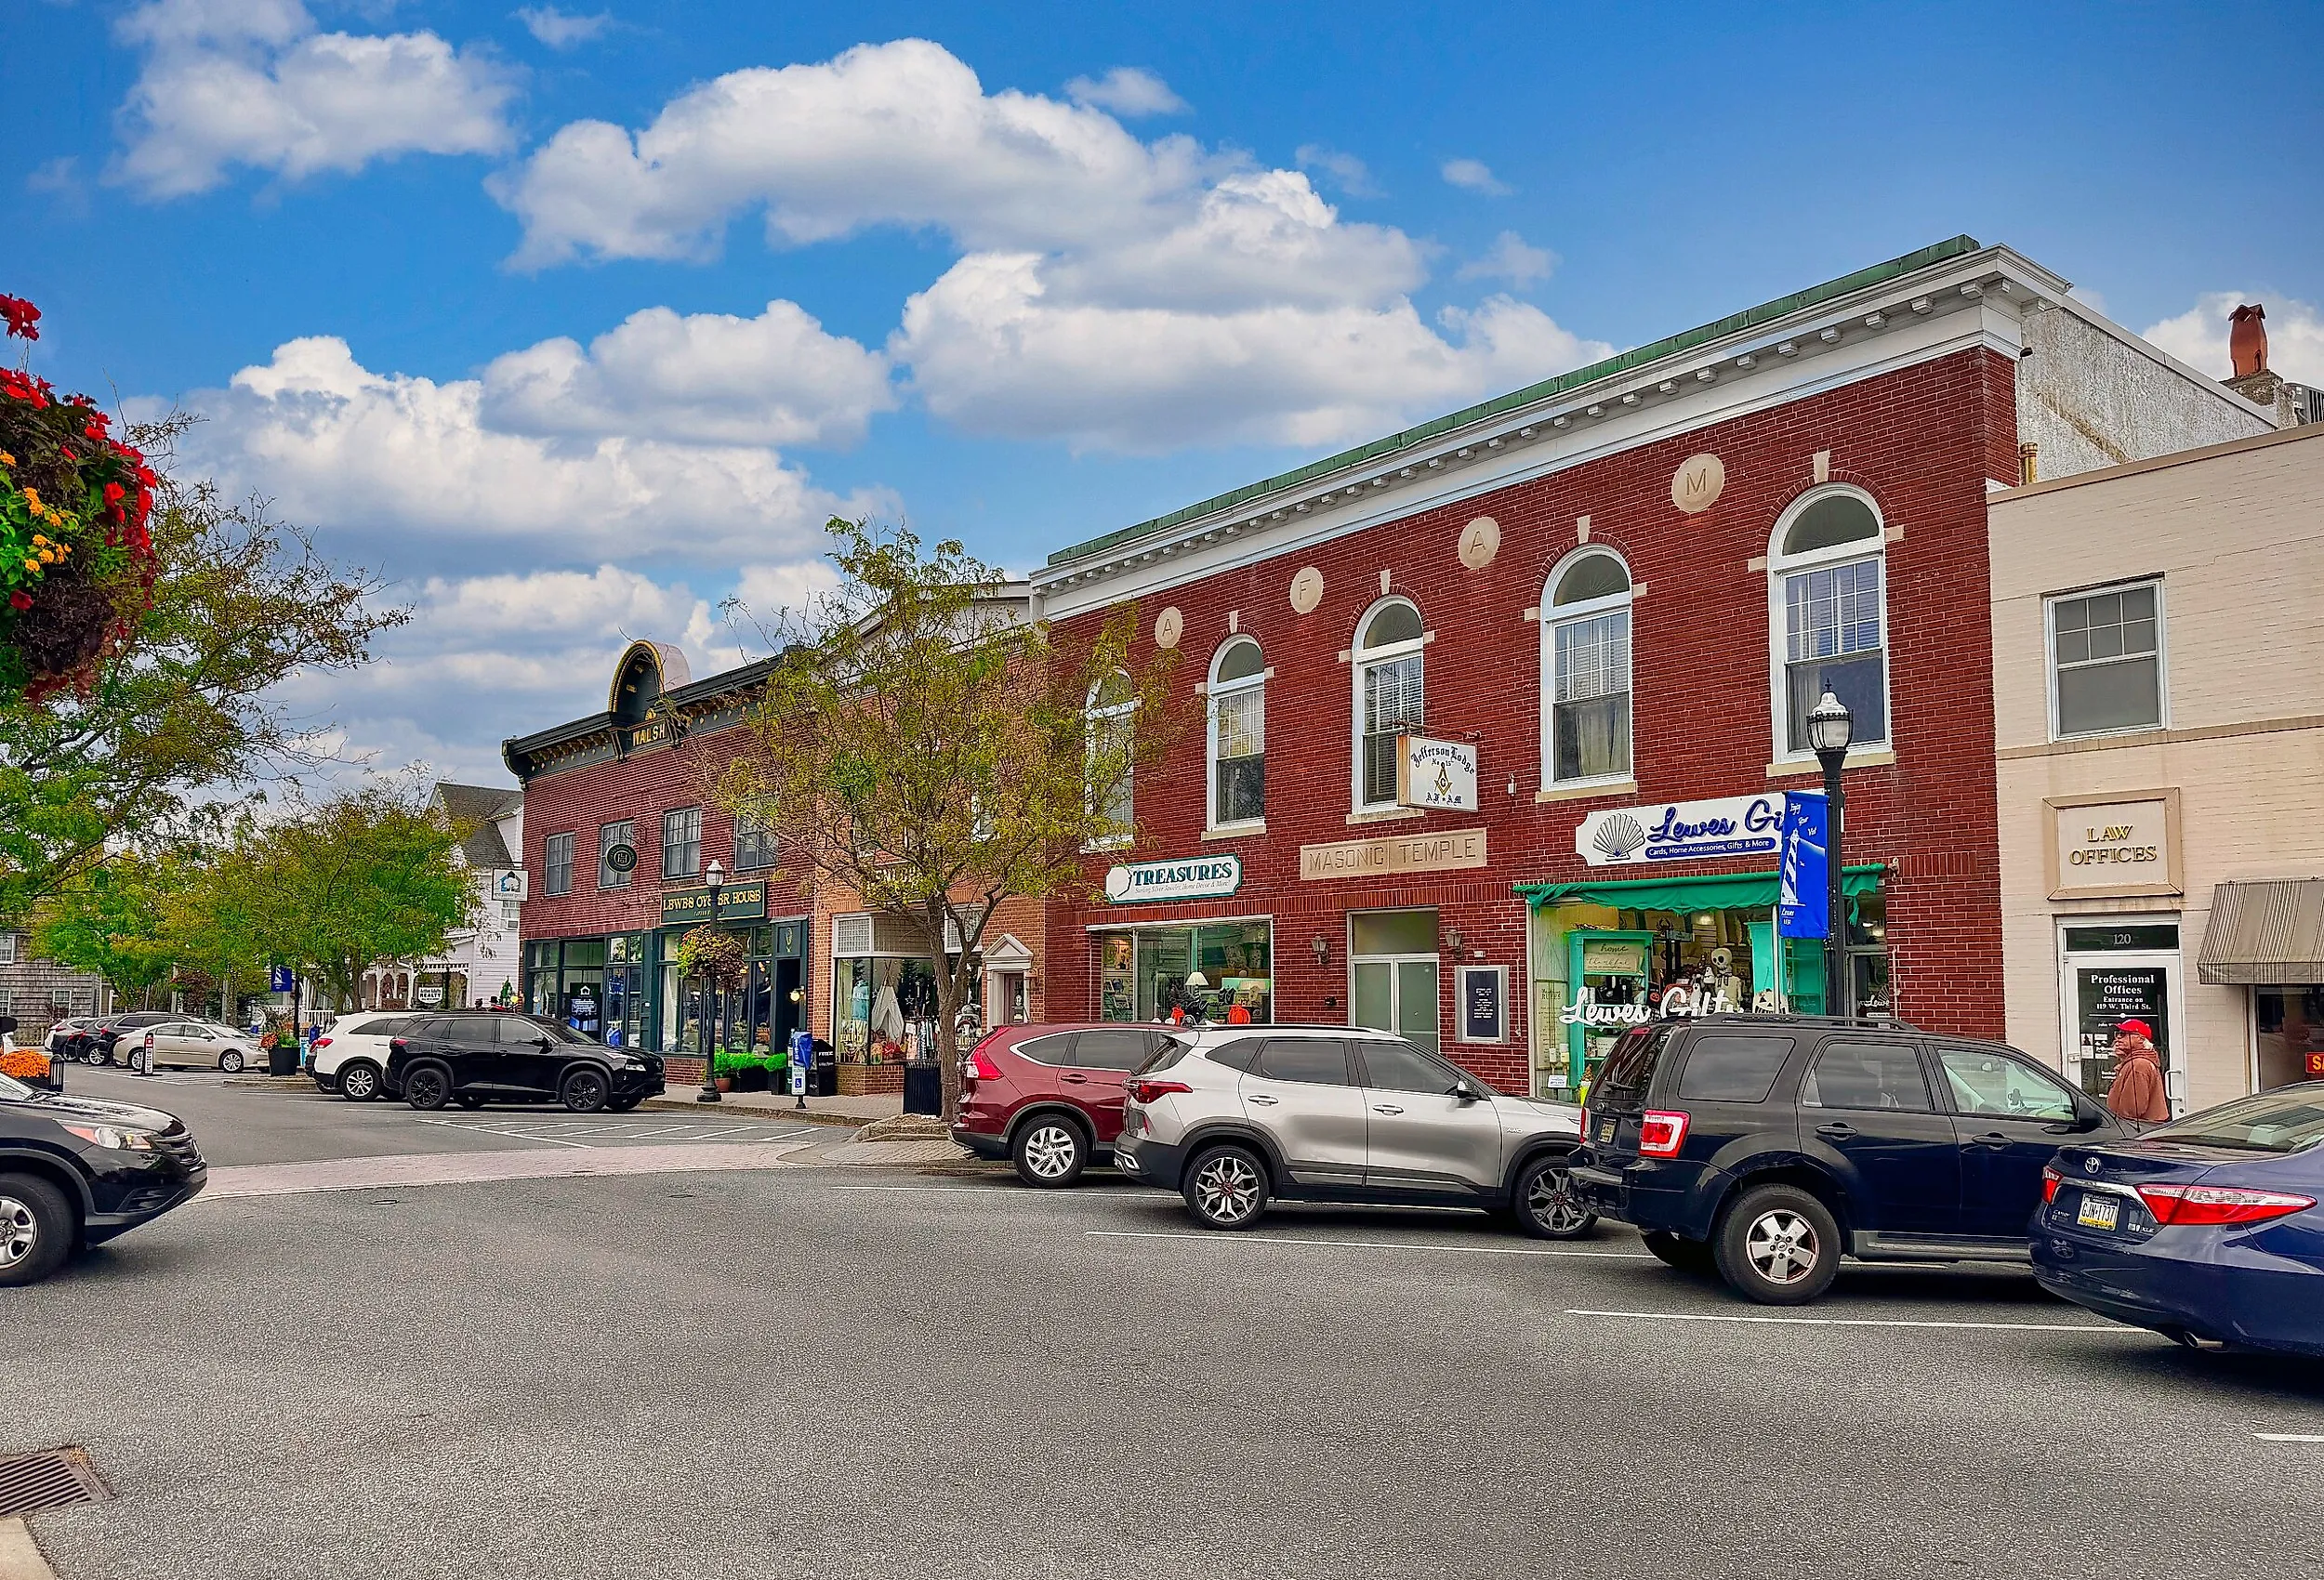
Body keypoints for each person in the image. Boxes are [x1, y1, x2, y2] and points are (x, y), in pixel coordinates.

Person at [2105, 1019, 2170, 1124]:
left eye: (2124, 1034)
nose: (2118, 1038)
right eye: (2118, 1034)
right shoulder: (2136, 1062)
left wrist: (2116, 1125)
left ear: (2141, 1039)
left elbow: (2132, 1108)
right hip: (2141, 1127)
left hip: (2136, 1129)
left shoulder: (2138, 1065)